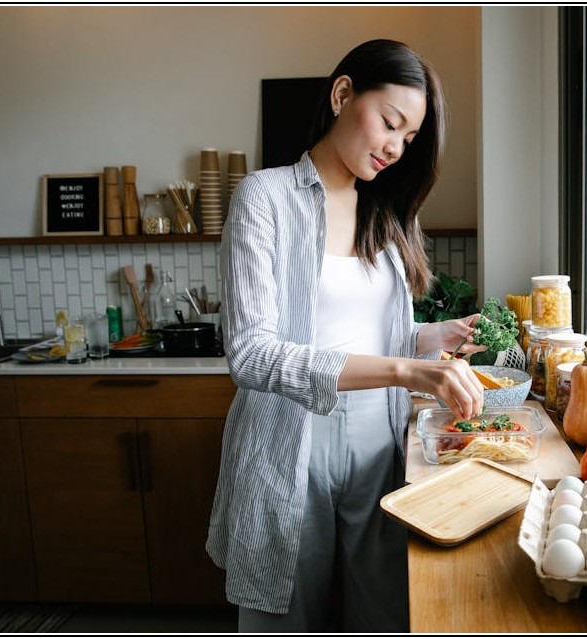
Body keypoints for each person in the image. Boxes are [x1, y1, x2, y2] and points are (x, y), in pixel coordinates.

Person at [205, 39, 487, 633]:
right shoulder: (265, 199)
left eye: (408, 139)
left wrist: (432, 340)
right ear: (342, 94)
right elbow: (253, 355)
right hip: (288, 443)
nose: (395, 147)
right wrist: (408, 371)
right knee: (280, 615)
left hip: (378, 445)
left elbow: (376, 332)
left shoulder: (385, 213)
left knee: (382, 614)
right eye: (391, 123)